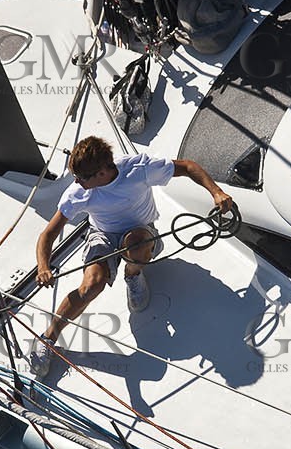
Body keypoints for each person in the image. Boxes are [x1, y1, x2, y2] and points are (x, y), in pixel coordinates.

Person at [29, 136, 234, 377]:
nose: (76, 181)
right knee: (91, 286)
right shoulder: (78, 193)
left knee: (136, 244)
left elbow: (188, 166)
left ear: (103, 172)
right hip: (102, 235)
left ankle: (132, 275)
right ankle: (47, 338)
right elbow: (48, 234)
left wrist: (217, 192)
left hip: (141, 232)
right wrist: (43, 266)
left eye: (82, 177)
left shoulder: (138, 169)